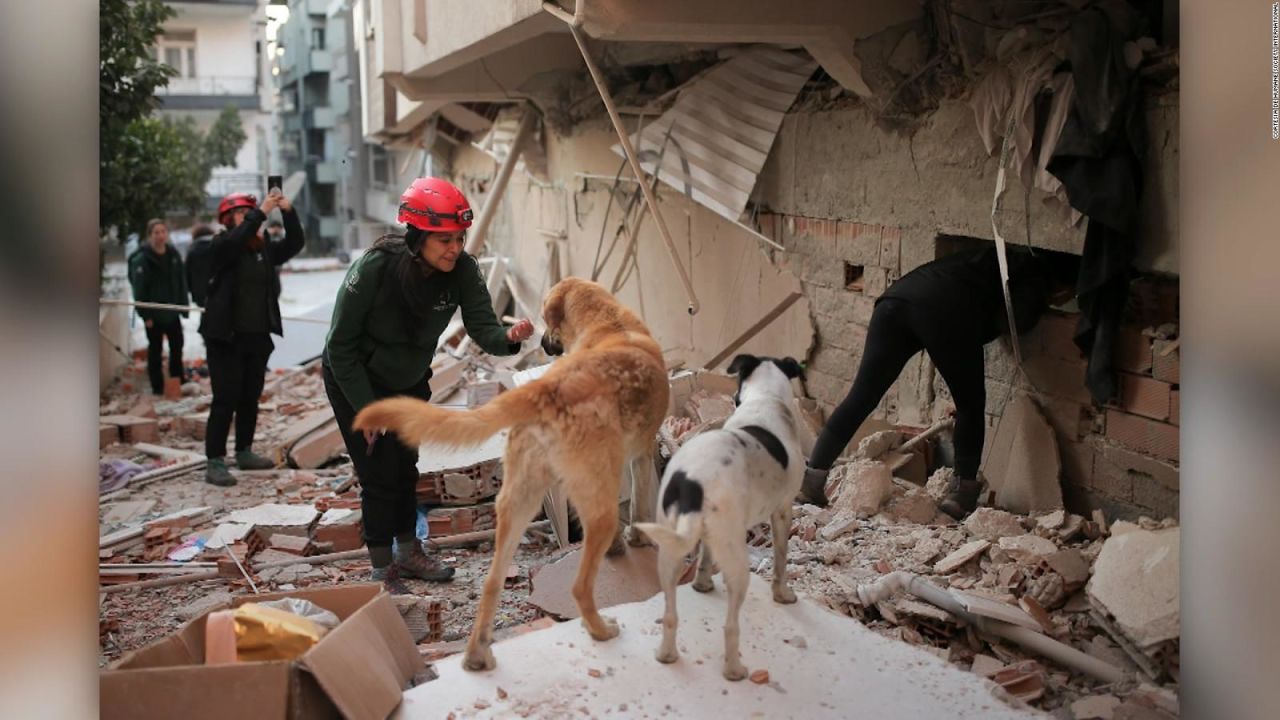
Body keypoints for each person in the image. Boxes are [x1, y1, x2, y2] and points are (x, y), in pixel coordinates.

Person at [323, 177, 535, 588]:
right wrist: (366, 410)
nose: (455, 248)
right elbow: (339, 347)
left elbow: (483, 327)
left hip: (408, 380)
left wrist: (508, 339)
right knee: (379, 474)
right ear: (417, 237)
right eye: (444, 241)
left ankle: (409, 553)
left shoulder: (462, 271)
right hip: (356, 381)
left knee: (405, 468)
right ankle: (382, 569)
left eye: (459, 238)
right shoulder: (374, 269)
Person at [798, 245, 1077, 520]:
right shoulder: (1036, 275)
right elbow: (1016, 322)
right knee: (970, 404)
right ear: (1063, 287)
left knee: (862, 397)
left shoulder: (990, 257)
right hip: (945, 310)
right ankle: (963, 494)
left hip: (895, 302)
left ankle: (812, 480)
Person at [199, 190, 306, 486]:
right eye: (240, 214)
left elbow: (296, 243)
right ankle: (215, 460)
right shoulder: (223, 245)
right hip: (226, 337)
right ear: (227, 219)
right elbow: (235, 240)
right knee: (225, 399)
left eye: (249, 213)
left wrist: (288, 212)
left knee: (249, 397)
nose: (246, 218)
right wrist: (259, 211)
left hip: (257, 336)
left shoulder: (264, 248)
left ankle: (244, 451)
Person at [128, 218, 189, 395]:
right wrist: (145, 315)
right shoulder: (141, 260)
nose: (160, 236)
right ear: (149, 236)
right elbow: (138, 290)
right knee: (155, 349)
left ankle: (177, 379)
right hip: (154, 315)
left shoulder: (174, 255)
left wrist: (183, 308)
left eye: (163, 232)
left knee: (177, 345)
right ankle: (157, 386)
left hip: (172, 312)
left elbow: (181, 282)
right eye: (156, 232)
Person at [185, 223, 216, 308]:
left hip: (199, 293)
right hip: (217, 290)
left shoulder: (192, 250)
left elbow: (187, 273)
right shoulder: (217, 246)